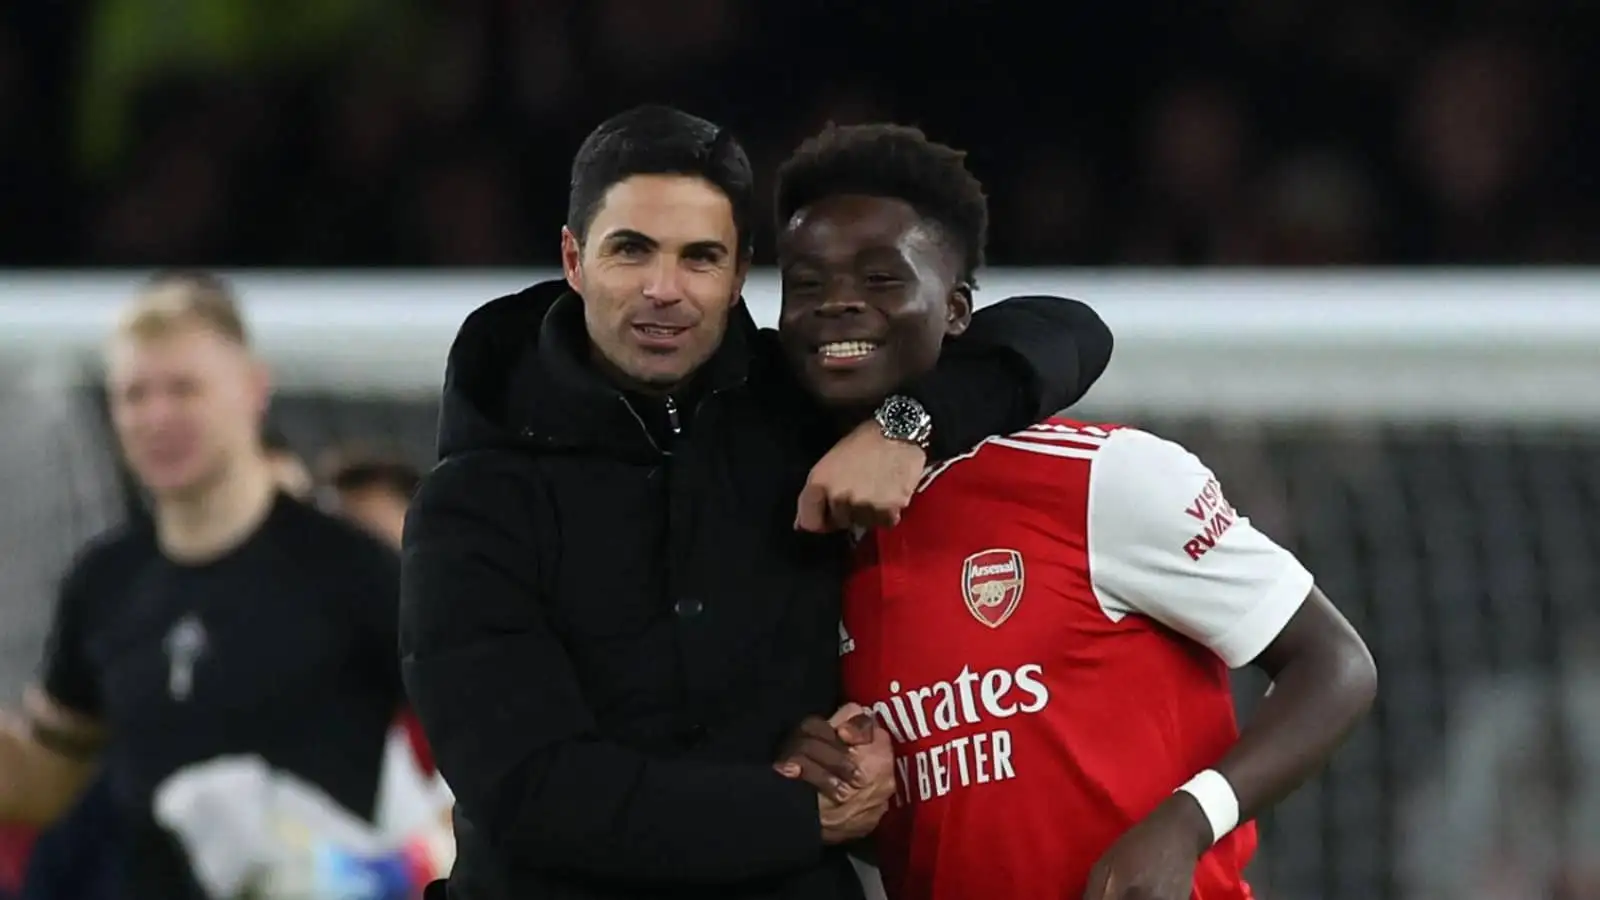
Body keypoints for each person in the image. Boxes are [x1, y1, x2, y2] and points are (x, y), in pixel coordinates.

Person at [400, 104, 1113, 900]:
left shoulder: (805, 407)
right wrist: (796, 814)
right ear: (573, 258)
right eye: (631, 251)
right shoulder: (472, 502)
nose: (663, 290)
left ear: (742, 274)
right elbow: (531, 790)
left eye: (700, 258)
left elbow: (1069, 331)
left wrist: (906, 426)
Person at [770, 123, 1379, 900]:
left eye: (883, 279)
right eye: (808, 284)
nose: (839, 304)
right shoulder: (806, 540)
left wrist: (1187, 821)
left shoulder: (1101, 479)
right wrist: (825, 781)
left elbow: (1336, 665)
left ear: (957, 312)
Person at [0, 271, 407, 899]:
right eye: (135, 395)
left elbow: (478, 747)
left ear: (252, 390)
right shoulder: (104, 581)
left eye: (184, 390)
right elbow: (50, 780)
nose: (157, 416)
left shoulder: (354, 571)